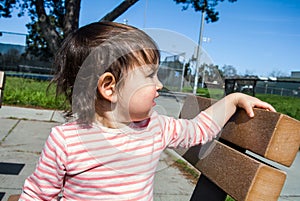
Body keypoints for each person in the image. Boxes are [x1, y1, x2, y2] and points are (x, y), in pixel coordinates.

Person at [19, 21, 275, 201]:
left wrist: (232, 100)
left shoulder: (156, 127)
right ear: (109, 87)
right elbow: (38, 195)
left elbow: (198, 129)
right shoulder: (65, 140)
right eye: (150, 76)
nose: (159, 85)